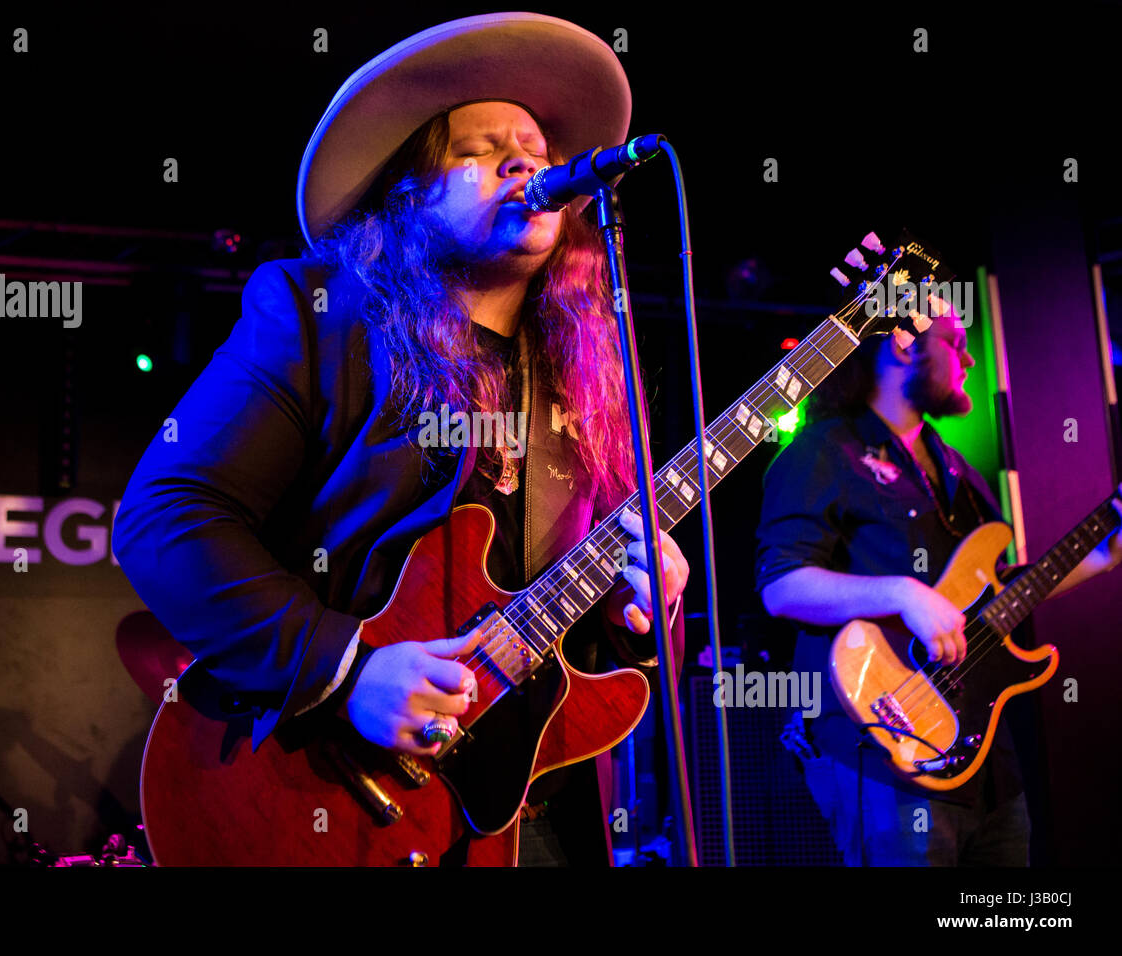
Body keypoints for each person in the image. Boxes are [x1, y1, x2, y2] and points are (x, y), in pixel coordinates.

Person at [112, 12, 689, 867]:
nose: (526, 163)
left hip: (532, 823)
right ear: (409, 195)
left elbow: (607, 650)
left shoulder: (590, 368)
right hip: (328, 795)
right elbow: (162, 517)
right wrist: (346, 670)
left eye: (535, 150)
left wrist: (648, 606)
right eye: (479, 149)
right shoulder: (321, 316)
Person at [755, 299, 1122, 865]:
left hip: (985, 763)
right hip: (881, 751)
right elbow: (781, 587)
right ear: (903, 343)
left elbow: (993, 592)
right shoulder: (822, 450)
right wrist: (903, 594)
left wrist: (1100, 557)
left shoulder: (955, 466)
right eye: (955, 343)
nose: (970, 360)